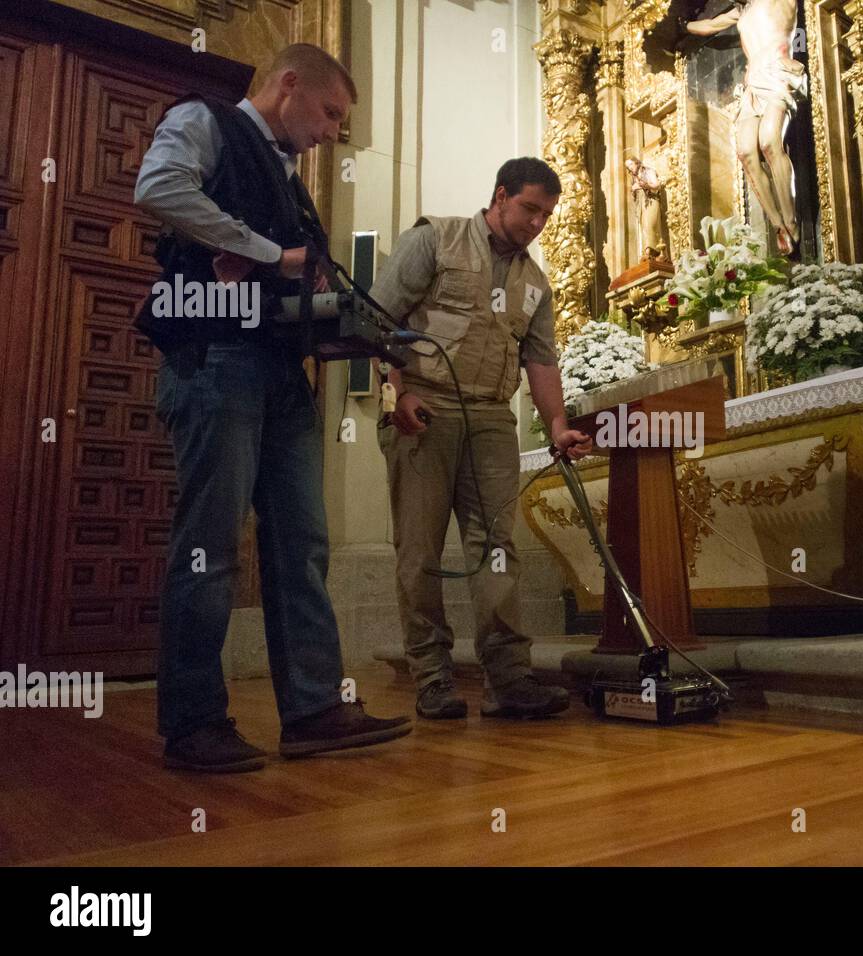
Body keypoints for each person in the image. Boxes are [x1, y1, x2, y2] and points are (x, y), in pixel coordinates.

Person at [134, 43, 410, 773]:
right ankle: (193, 724)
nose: (332, 130)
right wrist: (263, 250)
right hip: (214, 360)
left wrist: (356, 334)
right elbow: (159, 188)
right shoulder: (206, 120)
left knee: (303, 543)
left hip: (282, 375)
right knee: (211, 547)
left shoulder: (292, 183)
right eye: (329, 112)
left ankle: (314, 709)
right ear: (288, 85)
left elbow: (299, 283)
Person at [368, 157, 593, 721]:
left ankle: (509, 679)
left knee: (497, 549)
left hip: (492, 418)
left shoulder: (535, 283)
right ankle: (433, 677)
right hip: (425, 404)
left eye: (547, 215)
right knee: (418, 549)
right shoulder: (434, 239)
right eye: (530, 209)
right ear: (500, 195)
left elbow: (540, 360)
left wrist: (558, 426)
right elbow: (375, 318)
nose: (538, 223)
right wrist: (397, 394)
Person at [685, 0, 806, 256]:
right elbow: (708, 25)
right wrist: (680, 26)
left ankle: (791, 220)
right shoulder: (742, 10)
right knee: (746, 153)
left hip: (777, 72)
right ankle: (777, 225)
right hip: (752, 83)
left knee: (769, 143)